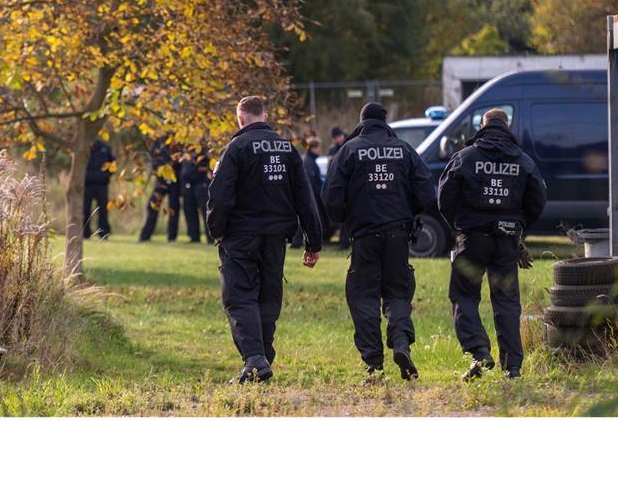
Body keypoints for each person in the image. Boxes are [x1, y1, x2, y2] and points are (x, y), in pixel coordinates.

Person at [206, 96, 323, 384]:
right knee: (268, 296)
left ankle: (256, 359)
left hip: (240, 237)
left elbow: (220, 196)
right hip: (276, 238)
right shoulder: (287, 149)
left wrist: (217, 230)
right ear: (265, 116)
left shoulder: (236, 148)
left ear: (240, 119)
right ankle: (262, 358)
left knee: (239, 296)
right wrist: (313, 242)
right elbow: (305, 198)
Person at [323, 102, 435, 382]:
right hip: (398, 235)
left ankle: (374, 363)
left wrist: (347, 218)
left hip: (364, 236)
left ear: (362, 122)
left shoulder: (349, 150)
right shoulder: (404, 149)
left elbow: (331, 198)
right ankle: (401, 343)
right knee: (398, 292)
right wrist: (407, 211)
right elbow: (426, 193)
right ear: (385, 122)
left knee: (364, 296)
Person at [437, 109, 545, 381]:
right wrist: (518, 228)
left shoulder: (465, 157)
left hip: (473, 239)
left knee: (464, 295)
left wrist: (460, 225)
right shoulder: (523, 160)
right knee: (507, 303)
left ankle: (479, 351)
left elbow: (444, 197)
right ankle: (513, 367)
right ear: (507, 127)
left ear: (483, 126)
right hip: (506, 241)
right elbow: (537, 200)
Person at [138, 138, 181, 242]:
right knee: (152, 206)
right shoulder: (158, 143)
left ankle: (172, 237)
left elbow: (181, 162)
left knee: (173, 208)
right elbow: (153, 161)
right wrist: (160, 169)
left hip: (175, 181)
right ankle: (145, 236)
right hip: (161, 181)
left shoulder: (178, 141)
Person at [83, 138, 115, 239]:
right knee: (85, 209)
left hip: (102, 185)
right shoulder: (83, 147)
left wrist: (106, 175)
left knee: (103, 210)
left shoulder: (105, 147)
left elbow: (113, 164)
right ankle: (85, 233)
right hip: (86, 185)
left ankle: (103, 233)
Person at [180, 148, 213, 243]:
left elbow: (205, 168)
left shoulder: (202, 152)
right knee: (190, 212)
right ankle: (194, 237)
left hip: (201, 185)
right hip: (188, 186)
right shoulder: (185, 154)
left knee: (205, 212)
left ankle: (210, 238)